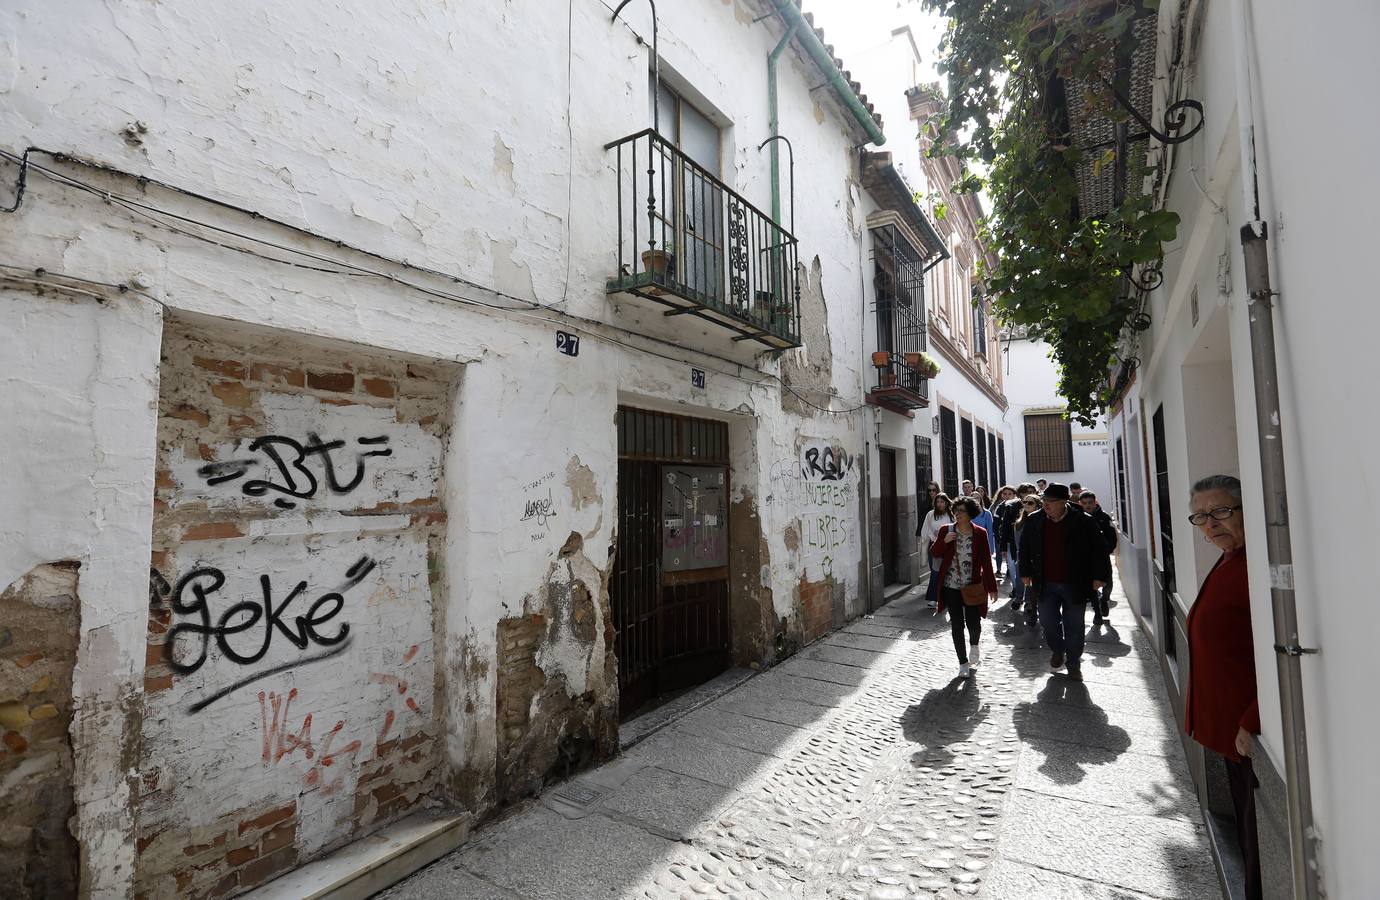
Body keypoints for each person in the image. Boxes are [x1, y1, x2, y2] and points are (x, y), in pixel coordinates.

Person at [1183, 474, 1260, 900]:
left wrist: (1252, 719)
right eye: (1202, 516)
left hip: (1249, 736)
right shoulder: (1230, 557)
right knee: (1249, 845)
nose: (1211, 524)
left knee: (1256, 846)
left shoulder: (1255, 563)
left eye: (1222, 511)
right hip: (1232, 736)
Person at [1018, 482, 1111, 681]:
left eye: (1051, 502)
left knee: (1075, 626)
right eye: (1044, 501)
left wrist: (1100, 577)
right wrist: (1024, 572)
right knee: (1048, 622)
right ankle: (1058, 649)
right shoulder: (1035, 520)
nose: (1046, 505)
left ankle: (1074, 663)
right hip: (1045, 582)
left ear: (1064, 502)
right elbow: (1024, 548)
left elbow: (1099, 550)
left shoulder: (1083, 521)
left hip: (1075, 582)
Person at [929, 496, 998, 678]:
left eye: (962, 511)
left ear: (970, 514)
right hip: (950, 586)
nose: (957, 514)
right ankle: (963, 663)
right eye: (955, 511)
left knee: (974, 623)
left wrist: (992, 587)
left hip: (972, 586)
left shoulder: (980, 533)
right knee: (957, 625)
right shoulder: (947, 530)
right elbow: (934, 553)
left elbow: (986, 562)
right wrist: (944, 542)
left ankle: (974, 645)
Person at [1078, 491, 1117, 624]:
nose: (1088, 506)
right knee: (1091, 587)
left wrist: (1106, 549)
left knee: (1108, 584)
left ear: (1095, 502)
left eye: (1090, 503)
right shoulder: (1078, 518)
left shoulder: (1104, 517)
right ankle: (1097, 613)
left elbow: (1112, 536)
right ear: (1080, 503)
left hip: (1103, 558)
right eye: (1084, 503)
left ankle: (1104, 600)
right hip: (1086, 559)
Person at [994, 483, 1035, 607]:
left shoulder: (1039, 506)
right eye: (1026, 491)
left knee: (1032, 574)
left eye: (1032, 491)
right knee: (1019, 572)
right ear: (1020, 493)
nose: (1029, 494)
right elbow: (1005, 528)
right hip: (1015, 546)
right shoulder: (1011, 506)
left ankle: (1029, 601)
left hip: (1034, 548)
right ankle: (1019, 596)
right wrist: (1002, 546)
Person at [918, 492, 954, 609]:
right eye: (937, 502)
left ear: (946, 502)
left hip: (949, 547)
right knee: (935, 572)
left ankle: (947, 597)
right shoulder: (930, 514)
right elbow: (925, 530)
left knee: (949, 572)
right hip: (935, 547)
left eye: (942, 502)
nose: (940, 504)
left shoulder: (951, 514)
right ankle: (933, 598)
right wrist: (924, 543)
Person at [1012, 492, 1040, 625]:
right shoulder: (1019, 523)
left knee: (1031, 582)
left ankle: (1029, 602)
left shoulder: (1040, 521)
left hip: (1036, 557)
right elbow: (1018, 542)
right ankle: (1019, 597)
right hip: (1022, 555)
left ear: (1037, 505)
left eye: (1030, 502)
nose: (1027, 504)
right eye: (1025, 502)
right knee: (1020, 578)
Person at [989, 486, 1016, 577]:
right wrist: (998, 540)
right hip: (1005, 539)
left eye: (1010, 494)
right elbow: (995, 526)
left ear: (1014, 495)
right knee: (1011, 564)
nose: (1007, 496)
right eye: (1005, 494)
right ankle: (1015, 588)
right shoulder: (999, 507)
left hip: (1016, 539)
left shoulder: (1019, 505)